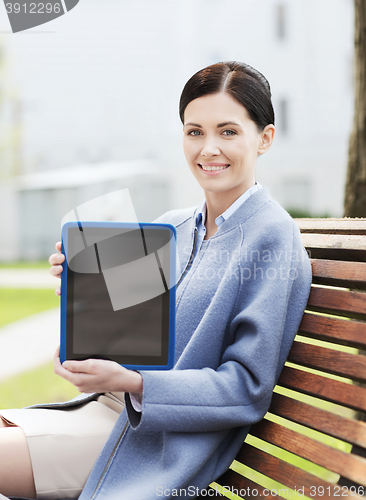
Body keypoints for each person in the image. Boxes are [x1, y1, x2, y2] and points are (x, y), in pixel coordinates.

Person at [0, 61, 312, 500]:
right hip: (109, 413)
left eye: (227, 132)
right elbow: (128, 330)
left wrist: (132, 383)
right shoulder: (175, 226)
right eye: (194, 131)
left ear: (264, 138)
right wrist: (81, 292)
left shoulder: (272, 237)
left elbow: (245, 388)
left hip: (157, 444)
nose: (208, 149)